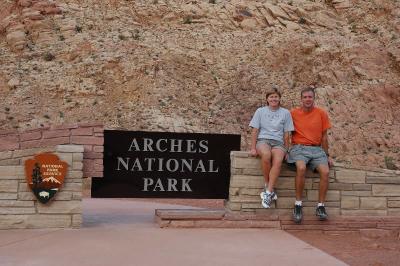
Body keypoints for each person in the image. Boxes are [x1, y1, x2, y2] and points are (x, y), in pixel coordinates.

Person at [287, 87, 333, 223]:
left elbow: (324, 137)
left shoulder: (321, 113)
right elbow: (286, 133)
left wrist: (327, 155)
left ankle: (320, 206)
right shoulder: (293, 113)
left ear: (314, 98)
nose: (308, 99)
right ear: (301, 99)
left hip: (317, 149)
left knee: (325, 172)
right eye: (305, 97)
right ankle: (298, 205)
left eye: (310, 97)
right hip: (299, 148)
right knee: (301, 168)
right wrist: (285, 149)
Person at [249, 88, 294, 208]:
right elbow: (255, 130)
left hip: (278, 143)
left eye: (276, 97)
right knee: (266, 155)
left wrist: (287, 150)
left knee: (278, 160)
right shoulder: (260, 111)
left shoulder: (286, 113)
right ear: (267, 99)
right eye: (271, 97)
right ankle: (268, 184)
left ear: (279, 98)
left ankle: (268, 191)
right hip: (263, 140)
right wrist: (253, 148)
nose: (273, 99)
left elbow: (286, 134)